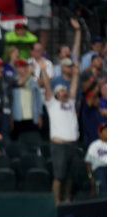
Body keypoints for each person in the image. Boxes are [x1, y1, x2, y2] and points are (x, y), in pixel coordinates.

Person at [40, 60, 79, 206]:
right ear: (56, 94)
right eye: (62, 90)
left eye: (65, 90)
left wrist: (75, 73)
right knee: (59, 175)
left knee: (70, 176)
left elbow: (74, 88)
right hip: (59, 145)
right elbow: (48, 88)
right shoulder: (52, 104)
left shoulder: (70, 103)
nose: (65, 92)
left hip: (73, 145)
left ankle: (67, 199)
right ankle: (56, 202)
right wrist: (43, 71)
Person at [9, 59, 42, 140]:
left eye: (26, 66)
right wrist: (10, 118)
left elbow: (38, 100)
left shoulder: (33, 82)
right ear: (17, 68)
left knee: (31, 140)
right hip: (17, 116)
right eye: (22, 66)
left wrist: (39, 116)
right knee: (17, 142)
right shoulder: (12, 82)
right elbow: (9, 102)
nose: (25, 68)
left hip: (32, 117)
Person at [86, 123, 107, 198]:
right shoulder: (94, 145)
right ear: (100, 133)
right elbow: (88, 162)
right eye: (105, 130)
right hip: (99, 168)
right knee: (103, 186)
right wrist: (91, 177)